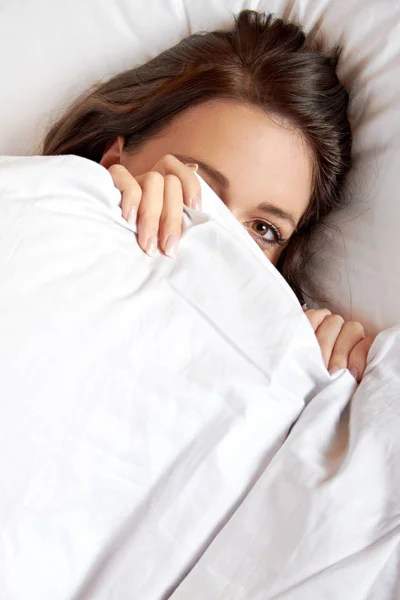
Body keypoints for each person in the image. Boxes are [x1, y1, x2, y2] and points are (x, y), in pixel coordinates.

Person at [41, 9, 374, 380]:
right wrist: (80, 201)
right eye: (194, 188)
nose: (219, 238)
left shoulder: (284, 364)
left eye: (263, 229)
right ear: (113, 160)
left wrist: (320, 379)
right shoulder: (37, 215)